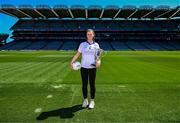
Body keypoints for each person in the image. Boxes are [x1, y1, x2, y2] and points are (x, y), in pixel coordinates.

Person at [70, 29, 103, 109]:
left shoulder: (96, 45)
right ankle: (85, 100)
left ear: (93, 35)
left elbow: (98, 57)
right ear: (86, 35)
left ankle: (92, 101)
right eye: (88, 34)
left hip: (92, 68)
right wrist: (72, 62)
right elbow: (78, 54)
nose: (89, 35)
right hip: (83, 67)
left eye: (91, 34)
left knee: (92, 85)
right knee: (84, 85)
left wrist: (99, 62)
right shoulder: (82, 44)